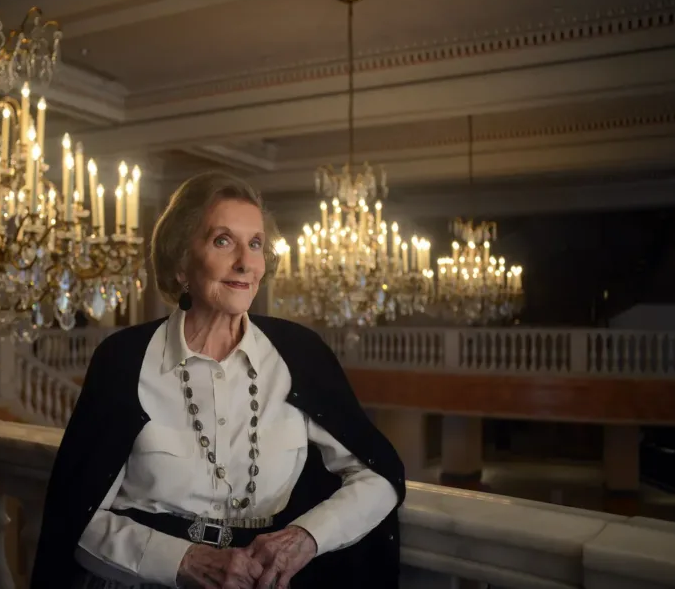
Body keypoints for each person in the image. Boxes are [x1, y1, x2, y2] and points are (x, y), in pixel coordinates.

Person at [30, 172, 406, 589]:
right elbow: (76, 518)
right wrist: (182, 560)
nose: (246, 262)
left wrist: (305, 538)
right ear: (180, 262)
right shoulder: (123, 360)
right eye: (223, 240)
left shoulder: (301, 353)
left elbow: (377, 475)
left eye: (257, 243)